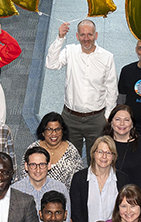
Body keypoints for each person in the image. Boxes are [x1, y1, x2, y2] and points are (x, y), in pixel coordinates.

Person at [47, 19, 117, 156]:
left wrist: (107, 117)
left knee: (97, 159)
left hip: (96, 119)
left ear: (96, 35)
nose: (86, 39)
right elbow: (51, 63)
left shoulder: (107, 57)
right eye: (83, 35)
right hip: (70, 117)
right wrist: (60, 38)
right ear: (77, 36)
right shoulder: (70, 51)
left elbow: (112, 89)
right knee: (69, 158)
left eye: (89, 35)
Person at [69, 136, 126, 222]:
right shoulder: (79, 178)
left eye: (108, 152)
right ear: (93, 153)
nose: (104, 156)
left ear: (113, 156)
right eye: (100, 152)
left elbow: (124, 211)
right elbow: (76, 212)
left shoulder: (122, 179)